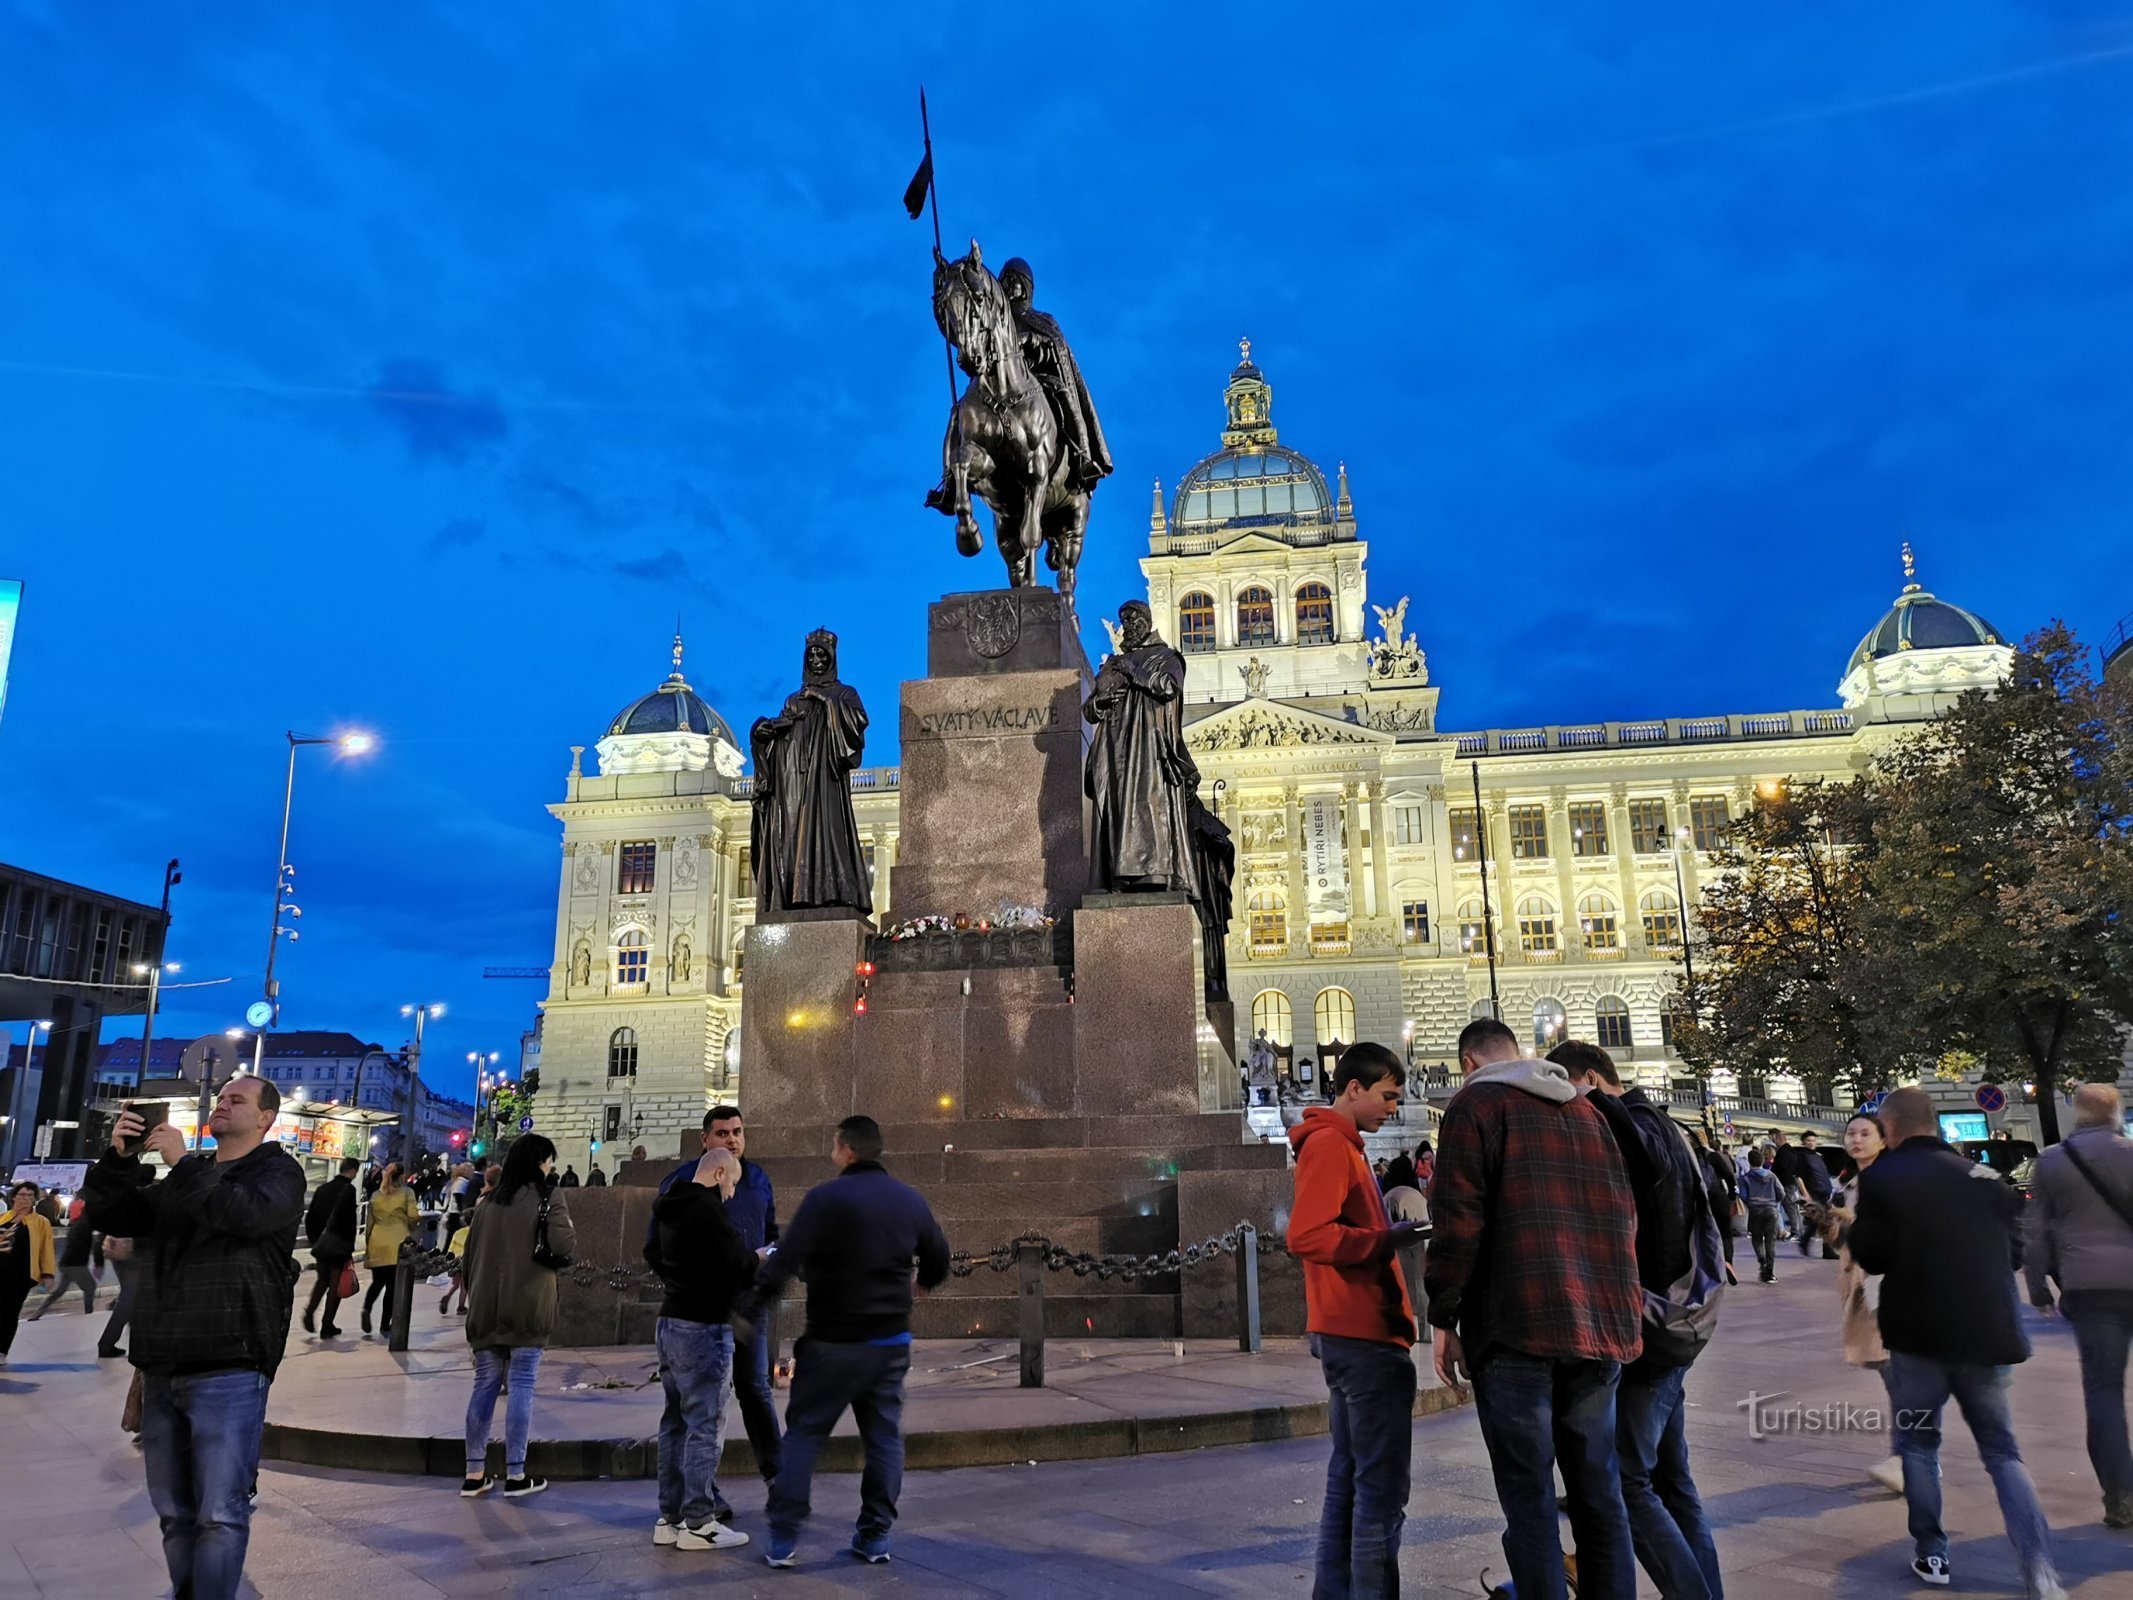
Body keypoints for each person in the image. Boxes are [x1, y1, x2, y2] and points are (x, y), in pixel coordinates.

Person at [1425, 1017, 1641, 1600]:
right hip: (1600, 1326)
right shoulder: (1588, 1112)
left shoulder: (1475, 1108)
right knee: (1600, 1493)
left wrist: (1443, 1316)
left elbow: (1457, 1224)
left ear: (1470, 1064)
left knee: (1529, 1498)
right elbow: (1625, 1215)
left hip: (1518, 1323)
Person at [83, 1076, 306, 1600]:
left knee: (220, 1513)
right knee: (174, 1513)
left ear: (266, 1118)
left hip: (230, 1362)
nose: (223, 1104)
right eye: (221, 1097)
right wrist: (117, 1161)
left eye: (238, 1100)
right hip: (163, 1361)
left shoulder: (278, 1172)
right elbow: (116, 1214)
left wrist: (183, 1166)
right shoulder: (192, 1175)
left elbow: (243, 1215)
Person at [1848, 1086, 2062, 1597]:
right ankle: (2038, 1567)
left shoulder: (1882, 1177)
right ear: (1936, 1123)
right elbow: (2015, 1243)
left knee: (1919, 1446)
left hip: (1918, 1336)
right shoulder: (1983, 1175)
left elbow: (1872, 1254)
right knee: (2003, 1451)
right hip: (1989, 1331)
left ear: (1891, 1128)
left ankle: (1933, 1555)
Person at [1552, 1041, 1725, 1600]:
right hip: (1675, 1319)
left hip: (1648, 1327)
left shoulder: (1639, 1126)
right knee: (1673, 1483)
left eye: (1570, 1089)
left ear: (1592, 1081)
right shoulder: (1670, 1127)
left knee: (1628, 1479)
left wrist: (1602, 1112)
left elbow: (1643, 1169)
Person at [753, 1114, 950, 1568]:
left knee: (804, 1434)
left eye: (834, 1146)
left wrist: (754, 1303)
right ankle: (875, 1534)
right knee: (883, 1439)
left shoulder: (824, 1198)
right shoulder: (908, 1199)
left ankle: (784, 1538)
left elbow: (786, 1260)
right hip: (888, 1341)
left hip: (831, 1340)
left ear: (845, 1148)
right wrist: (924, 1280)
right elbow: (939, 1258)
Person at [1286, 1040, 1418, 1598]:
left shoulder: (1342, 1145)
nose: (1393, 1107)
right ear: (1354, 1088)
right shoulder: (1330, 1147)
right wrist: (1384, 1240)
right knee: (1379, 1496)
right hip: (1362, 1336)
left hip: (1348, 1333)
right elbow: (1307, 1234)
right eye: (1387, 1095)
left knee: (1348, 1482)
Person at [647, 1105, 783, 1499]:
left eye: (738, 1132)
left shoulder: (757, 1179)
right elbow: (656, 1247)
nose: (732, 1140)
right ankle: (701, 1496)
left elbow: (769, 1232)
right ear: (705, 1140)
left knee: (755, 1388)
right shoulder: (680, 1182)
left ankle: (777, 1475)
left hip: (746, 1303)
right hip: (702, 1311)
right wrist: (687, 1286)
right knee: (700, 1405)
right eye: (722, 1133)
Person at [2024, 1082, 2133, 1529]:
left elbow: (2035, 1232)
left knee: (2104, 1391)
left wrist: (2038, 1288)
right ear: (2117, 1112)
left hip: (2089, 1288)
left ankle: (2121, 1497)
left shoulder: (2052, 1161)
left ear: (2075, 1112)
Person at [648, 1148, 756, 1552]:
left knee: (675, 1423)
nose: (732, 1191)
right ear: (719, 1174)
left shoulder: (670, 1205)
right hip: (703, 1326)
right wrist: (757, 1259)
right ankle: (700, 1522)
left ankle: (669, 1518)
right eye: (732, 1181)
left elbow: (654, 1254)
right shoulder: (707, 1210)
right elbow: (734, 1265)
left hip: (670, 1319)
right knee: (705, 1425)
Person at [459, 1133, 574, 1499]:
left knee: (485, 1384)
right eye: (549, 1160)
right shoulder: (549, 1196)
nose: (551, 1166)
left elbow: (469, 1256)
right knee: (522, 1384)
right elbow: (562, 1245)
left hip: (485, 1307)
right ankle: (516, 1473)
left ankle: (474, 1473)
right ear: (539, 1162)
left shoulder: (487, 1204)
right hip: (527, 1304)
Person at [1823, 1112, 1903, 1495]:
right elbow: (1843, 1244)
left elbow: (1888, 1233)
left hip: (1886, 1286)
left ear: (1883, 1140)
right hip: (1861, 1285)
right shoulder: (1849, 1184)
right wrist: (1827, 1225)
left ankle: (1910, 1459)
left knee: (1898, 1375)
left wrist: (1850, 1221)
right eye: (1850, 1133)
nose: (1856, 1139)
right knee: (1892, 1374)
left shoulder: (1887, 1182)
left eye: (1865, 1133)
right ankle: (1910, 1457)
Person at [301, 1158, 360, 1340]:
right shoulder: (348, 1190)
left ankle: (310, 1312)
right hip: (339, 1245)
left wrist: (315, 1241)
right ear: (352, 1171)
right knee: (335, 1285)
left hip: (322, 1244)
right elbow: (349, 1221)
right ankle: (327, 1325)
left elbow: (310, 1218)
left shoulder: (323, 1189)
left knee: (321, 1280)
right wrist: (349, 1246)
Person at [0, 1181, 57, 1365]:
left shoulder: (41, 1222)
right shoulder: (3, 1218)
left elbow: (47, 1248)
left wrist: (48, 1273)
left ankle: (2, 1350)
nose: (25, 1199)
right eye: (21, 1195)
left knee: (10, 1312)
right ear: (13, 1197)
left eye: (29, 1196)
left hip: (21, 1276)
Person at [361, 1162, 419, 1340]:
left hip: (377, 1242)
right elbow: (414, 1216)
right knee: (392, 1287)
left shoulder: (376, 1195)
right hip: (398, 1243)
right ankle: (385, 1324)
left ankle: (366, 1308)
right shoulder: (407, 1193)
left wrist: (368, 1247)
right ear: (402, 1176)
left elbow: (369, 1223)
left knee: (377, 1282)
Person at [26, 1197, 100, 1320]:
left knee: (60, 1291)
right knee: (90, 1287)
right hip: (76, 1264)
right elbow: (80, 1243)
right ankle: (89, 1315)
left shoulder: (78, 1223)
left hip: (67, 1263)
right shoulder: (84, 1225)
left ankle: (39, 1312)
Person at [1739, 1149, 1784, 1284]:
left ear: (1749, 1161)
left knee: (1757, 1239)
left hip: (1755, 1211)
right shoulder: (1771, 1176)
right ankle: (1769, 1271)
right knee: (1770, 1241)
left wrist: (1751, 1203)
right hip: (1771, 1210)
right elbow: (1781, 1193)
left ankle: (1762, 1260)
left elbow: (1743, 1195)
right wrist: (1773, 1201)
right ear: (1762, 1161)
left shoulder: (1745, 1178)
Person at [97, 1226, 140, 1359]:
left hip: (118, 1249)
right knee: (130, 1297)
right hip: (132, 1250)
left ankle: (110, 1343)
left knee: (130, 1295)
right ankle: (106, 1344)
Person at [1796, 1132, 1838, 1259]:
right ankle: (1824, 1249)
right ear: (1803, 1142)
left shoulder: (1818, 1156)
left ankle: (1807, 1243)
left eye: (1813, 1140)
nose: (1811, 1142)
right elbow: (1798, 1177)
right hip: (1814, 1192)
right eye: (1808, 1140)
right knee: (1822, 1221)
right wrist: (1806, 1194)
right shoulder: (1802, 1157)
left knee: (1823, 1221)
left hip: (1825, 1191)